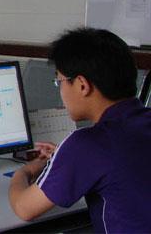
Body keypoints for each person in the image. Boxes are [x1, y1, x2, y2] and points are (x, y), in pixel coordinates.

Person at [8, 27, 151, 233]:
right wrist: (64, 158)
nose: (60, 89)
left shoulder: (88, 144)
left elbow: (24, 208)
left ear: (82, 85)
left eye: (59, 81)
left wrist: (25, 171)